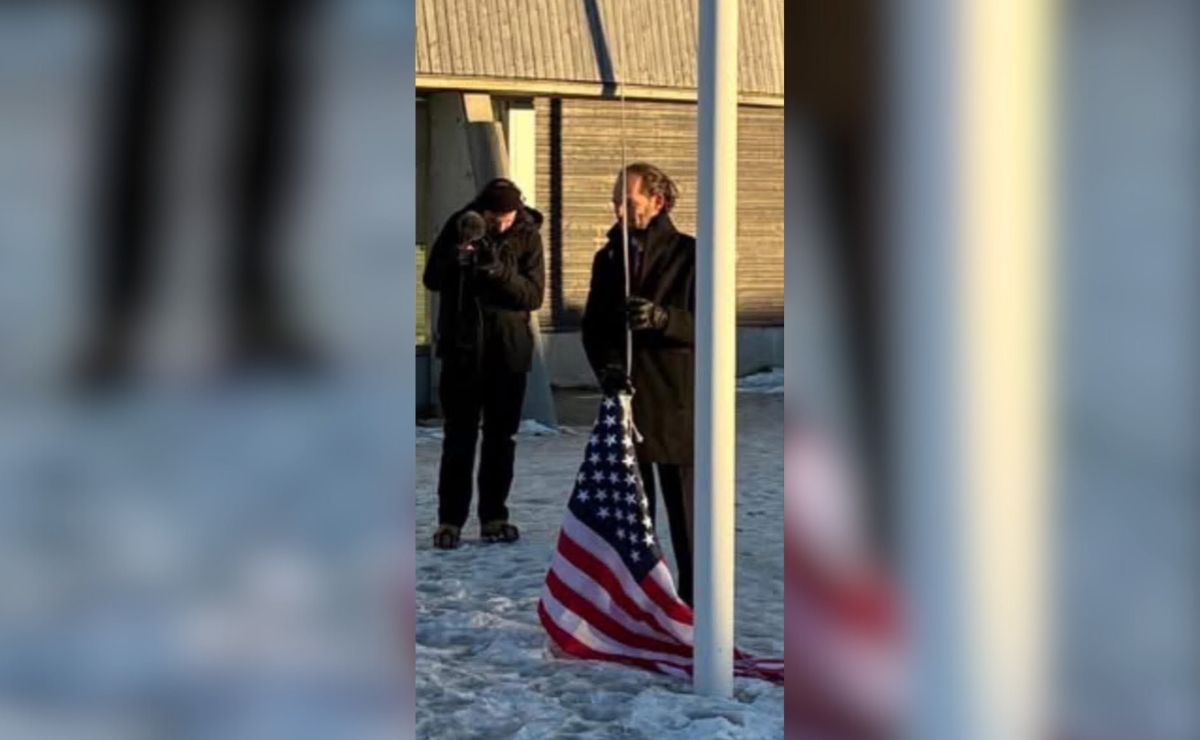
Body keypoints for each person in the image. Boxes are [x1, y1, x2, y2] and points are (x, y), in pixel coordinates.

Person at [581, 163, 697, 606]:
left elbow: (715, 325)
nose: (619, 210)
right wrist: (607, 368)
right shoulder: (608, 257)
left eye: (627, 202)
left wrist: (664, 319)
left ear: (657, 202)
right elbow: (594, 327)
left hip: (676, 405)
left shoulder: (690, 254)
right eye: (615, 202)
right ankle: (643, 607)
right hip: (626, 406)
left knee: (687, 521)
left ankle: (695, 611)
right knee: (631, 522)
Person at [422, 179, 545, 549]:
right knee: (458, 439)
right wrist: (456, 258)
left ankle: (494, 516)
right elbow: (432, 279)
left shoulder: (528, 236)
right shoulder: (461, 224)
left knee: (500, 440)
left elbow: (533, 295)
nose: (501, 225)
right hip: (462, 351)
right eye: (495, 218)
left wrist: (497, 270)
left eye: (507, 218)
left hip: (507, 354)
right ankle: (450, 521)